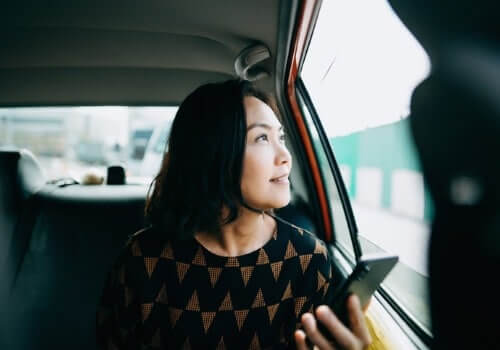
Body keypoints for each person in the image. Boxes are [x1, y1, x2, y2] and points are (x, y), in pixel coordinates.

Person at [96, 79, 371, 349]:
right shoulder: (143, 259)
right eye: (262, 137)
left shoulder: (308, 258)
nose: (285, 155)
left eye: (281, 137)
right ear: (212, 152)